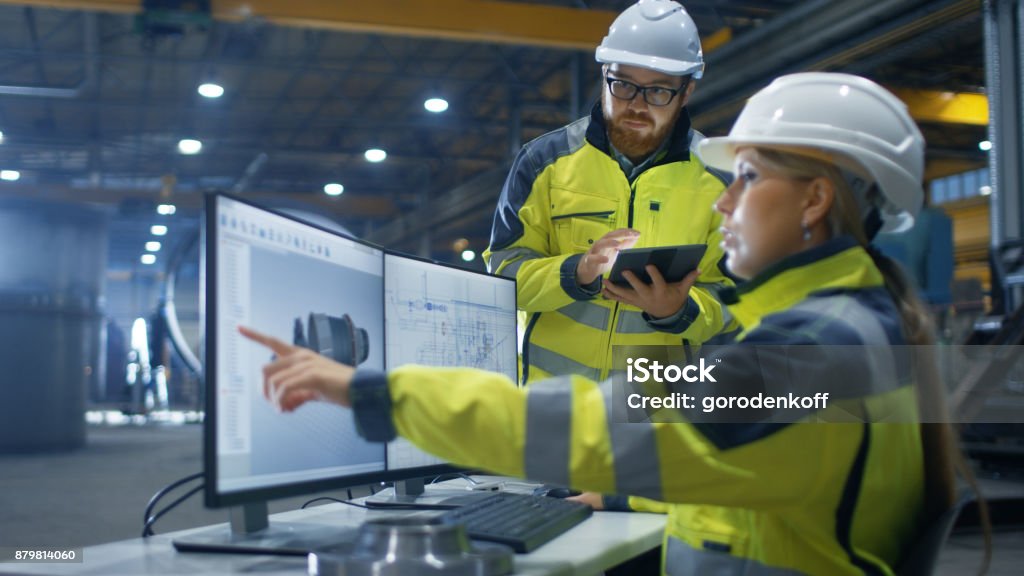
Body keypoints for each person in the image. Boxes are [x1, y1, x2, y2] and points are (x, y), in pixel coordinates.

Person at [241, 72, 973, 574]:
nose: (723, 203)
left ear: (815, 201)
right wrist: (621, 495)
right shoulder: (841, 327)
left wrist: (377, 394)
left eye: (746, 178)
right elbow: (753, 465)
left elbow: (604, 426)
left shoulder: (819, 354)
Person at [482, 0, 733, 387]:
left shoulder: (720, 180)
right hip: (549, 398)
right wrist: (576, 272)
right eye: (623, 84)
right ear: (604, 74)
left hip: (651, 414)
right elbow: (501, 275)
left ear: (686, 92)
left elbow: (736, 299)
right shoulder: (544, 162)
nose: (636, 104)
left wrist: (679, 309)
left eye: (658, 91)